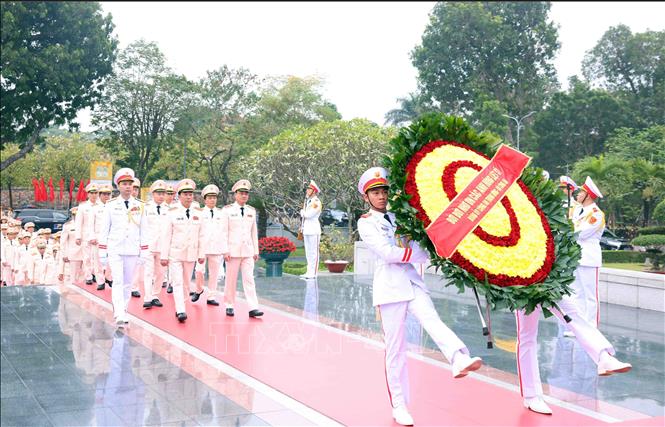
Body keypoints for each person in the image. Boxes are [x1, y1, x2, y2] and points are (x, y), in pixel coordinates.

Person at [356, 167, 482, 426]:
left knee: (432, 320)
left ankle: (458, 358)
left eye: (384, 192)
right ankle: (399, 405)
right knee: (395, 350)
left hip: (412, 281)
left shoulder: (400, 216)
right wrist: (417, 255)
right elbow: (388, 253)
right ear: (366, 197)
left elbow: (419, 247)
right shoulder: (366, 222)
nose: (381, 196)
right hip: (390, 287)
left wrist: (425, 250)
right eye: (375, 193)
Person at [99, 168, 151, 327]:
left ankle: (124, 310)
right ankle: (119, 313)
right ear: (118, 186)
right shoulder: (110, 205)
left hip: (132, 249)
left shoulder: (141, 206)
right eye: (124, 184)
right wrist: (102, 252)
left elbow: (144, 230)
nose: (128, 187)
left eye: (130, 184)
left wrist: (144, 252)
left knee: (128, 282)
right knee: (118, 281)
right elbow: (104, 229)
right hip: (115, 248)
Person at [159, 179, 205, 323]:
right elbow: (166, 235)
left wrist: (201, 254)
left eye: (190, 194)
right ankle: (181, 310)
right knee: (177, 282)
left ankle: (183, 305)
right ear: (179, 196)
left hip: (191, 254)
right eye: (185, 194)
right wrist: (164, 255)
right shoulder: (171, 212)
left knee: (186, 283)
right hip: (175, 253)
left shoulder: (198, 212)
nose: (188, 196)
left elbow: (202, 235)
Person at [220, 179, 263, 318]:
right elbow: (223, 232)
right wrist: (225, 250)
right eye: (241, 193)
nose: (244, 195)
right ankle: (229, 305)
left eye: (246, 193)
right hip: (232, 251)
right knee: (231, 280)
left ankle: (253, 307)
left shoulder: (251, 211)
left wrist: (256, 250)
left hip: (248, 251)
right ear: (235, 194)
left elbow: (253, 232)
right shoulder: (227, 211)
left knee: (249, 279)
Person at [571, 176, 606, 328]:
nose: (577, 194)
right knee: (577, 293)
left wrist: (567, 231)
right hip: (577, 256)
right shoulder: (578, 210)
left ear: (588, 195)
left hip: (589, 258)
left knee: (590, 295)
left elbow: (581, 233)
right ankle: (579, 328)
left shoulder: (596, 214)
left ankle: (591, 328)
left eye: (581, 192)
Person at [192, 184, 224, 306]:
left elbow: (224, 231)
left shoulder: (221, 213)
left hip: (216, 247)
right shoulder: (198, 213)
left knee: (214, 274)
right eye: (209, 197)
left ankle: (211, 296)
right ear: (205, 200)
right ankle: (199, 289)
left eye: (214, 197)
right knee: (199, 271)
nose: (212, 200)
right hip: (202, 248)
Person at [141, 180, 169, 309]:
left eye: (163, 193)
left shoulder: (169, 209)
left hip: (163, 247)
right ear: (153, 194)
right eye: (158, 193)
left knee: (161, 273)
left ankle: (155, 295)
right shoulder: (145, 208)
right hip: (149, 245)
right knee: (148, 272)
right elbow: (142, 227)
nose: (161, 196)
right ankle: (147, 297)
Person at [75, 182, 102, 286]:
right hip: (85, 235)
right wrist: (78, 236)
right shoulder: (83, 206)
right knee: (87, 257)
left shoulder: (101, 206)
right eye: (92, 192)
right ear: (88, 194)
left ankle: (96, 275)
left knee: (97, 257)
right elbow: (79, 222)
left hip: (97, 236)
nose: (94, 195)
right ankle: (88, 276)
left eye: (96, 193)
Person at [300, 180, 322, 279]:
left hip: (314, 230)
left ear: (314, 191)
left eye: (309, 189)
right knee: (308, 253)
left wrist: (302, 212)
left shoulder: (316, 202)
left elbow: (308, 215)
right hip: (307, 229)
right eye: (307, 189)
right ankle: (309, 272)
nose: (307, 191)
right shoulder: (307, 201)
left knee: (314, 253)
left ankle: (313, 273)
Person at [59, 208, 84, 286]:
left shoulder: (86, 224)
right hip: (74, 254)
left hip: (86, 252)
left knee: (85, 276)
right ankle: (74, 294)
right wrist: (64, 254)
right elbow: (63, 242)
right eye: (74, 215)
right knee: (73, 277)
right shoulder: (68, 226)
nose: (76, 217)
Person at [96, 184, 114, 290]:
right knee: (98, 260)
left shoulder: (113, 206)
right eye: (104, 194)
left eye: (108, 194)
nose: (106, 196)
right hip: (98, 237)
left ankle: (109, 277)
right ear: (100, 195)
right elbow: (91, 224)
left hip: (111, 237)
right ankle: (100, 281)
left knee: (111, 259)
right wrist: (92, 237)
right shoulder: (95, 208)